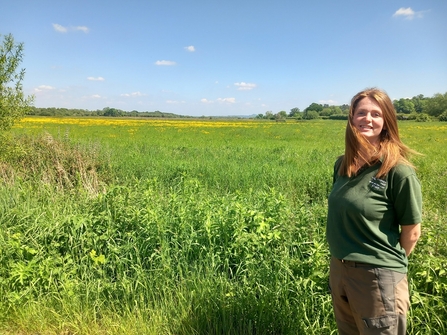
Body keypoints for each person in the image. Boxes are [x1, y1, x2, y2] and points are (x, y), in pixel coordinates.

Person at [326, 88, 422, 335]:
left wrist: (384, 269)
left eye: (376, 114)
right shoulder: (342, 164)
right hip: (340, 270)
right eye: (361, 113)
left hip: (377, 277)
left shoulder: (398, 171)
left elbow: (411, 231)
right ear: (351, 119)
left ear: (386, 122)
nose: (367, 119)